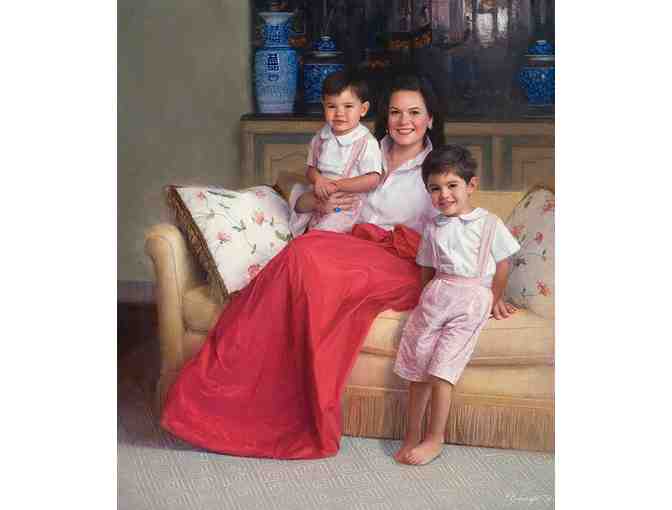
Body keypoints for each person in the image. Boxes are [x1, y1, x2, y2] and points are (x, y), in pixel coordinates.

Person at [160, 73, 446, 460]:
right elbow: (305, 199)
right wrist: (320, 201)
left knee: (309, 254)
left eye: (414, 112)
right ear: (382, 115)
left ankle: (289, 416)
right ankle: (224, 393)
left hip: (400, 261)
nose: (404, 121)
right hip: (346, 246)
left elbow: (454, 229)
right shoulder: (360, 145)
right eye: (395, 112)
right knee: (303, 254)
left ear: (430, 118)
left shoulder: (439, 168)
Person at [392, 145, 520, 466]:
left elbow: (503, 263)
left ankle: (435, 438)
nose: (444, 195)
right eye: (435, 188)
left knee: (441, 369)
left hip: (471, 297)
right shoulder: (432, 227)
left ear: (471, 185)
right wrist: (424, 300)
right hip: (437, 296)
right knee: (417, 365)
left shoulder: (489, 223)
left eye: (452, 185)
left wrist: (495, 297)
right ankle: (411, 434)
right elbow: (426, 267)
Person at [305, 70, 383, 232]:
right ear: (324, 106)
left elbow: (373, 179)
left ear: (363, 109)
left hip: (346, 204)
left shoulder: (366, 142)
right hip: (320, 195)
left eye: (348, 106)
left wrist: (337, 185)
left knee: (324, 233)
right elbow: (311, 169)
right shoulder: (321, 137)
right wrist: (319, 180)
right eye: (332, 106)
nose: (339, 113)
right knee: (299, 207)